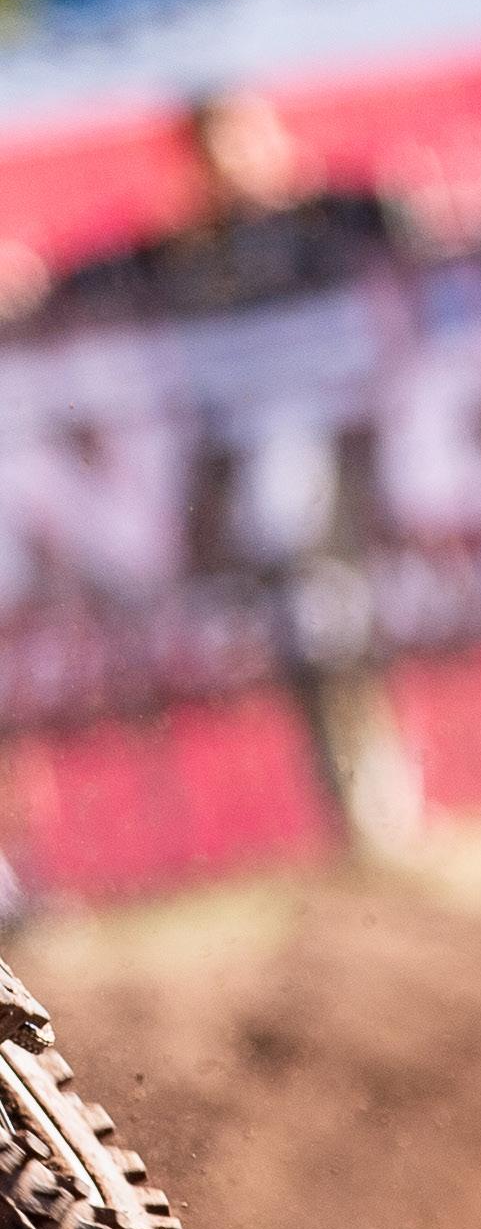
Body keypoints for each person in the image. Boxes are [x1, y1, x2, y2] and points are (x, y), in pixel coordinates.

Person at [36, 89, 424, 862]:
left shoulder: (334, 218)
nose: (237, 167)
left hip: (365, 462)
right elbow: (87, 284)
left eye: (247, 144)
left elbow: (417, 231)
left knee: (363, 630)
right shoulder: (182, 249)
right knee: (311, 631)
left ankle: (389, 803)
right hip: (259, 485)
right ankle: (362, 815)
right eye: (218, 155)